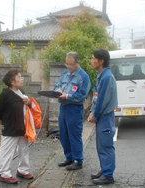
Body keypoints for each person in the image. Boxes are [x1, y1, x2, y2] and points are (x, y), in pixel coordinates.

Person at [0, 69, 34, 184]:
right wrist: (8, 121)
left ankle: (23, 170)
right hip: (10, 128)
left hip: (22, 127)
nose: (22, 79)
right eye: (19, 77)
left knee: (24, 149)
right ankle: (4, 174)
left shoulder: (21, 91)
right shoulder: (5, 94)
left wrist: (29, 103)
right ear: (12, 81)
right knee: (7, 151)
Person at [54, 52, 91, 170]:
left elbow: (82, 95)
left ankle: (77, 160)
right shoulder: (65, 74)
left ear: (77, 63)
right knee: (63, 134)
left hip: (74, 109)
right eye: (67, 64)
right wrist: (57, 91)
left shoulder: (83, 76)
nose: (68, 67)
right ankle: (69, 157)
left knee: (74, 134)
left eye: (71, 64)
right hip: (63, 108)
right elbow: (56, 86)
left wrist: (67, 96)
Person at [88, 49, 118, 185]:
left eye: (94, 58)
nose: (91, 60)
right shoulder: (102, 75)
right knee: (101, 145)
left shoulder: (106, 77)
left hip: (105, 116)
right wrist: (92, 112)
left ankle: (108, 175)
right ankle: (104, 169)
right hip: (103, 116)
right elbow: (96, 98)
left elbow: (102, 100)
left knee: (106, 145)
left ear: (101, 61)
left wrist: (94, 114)